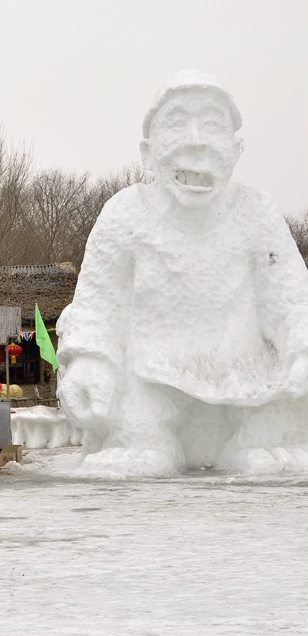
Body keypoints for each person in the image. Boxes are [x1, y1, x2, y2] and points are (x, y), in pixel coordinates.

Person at [56, 69, 308, 475]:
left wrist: (301, 346)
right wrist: (89, 360)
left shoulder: (255, 212)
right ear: (147, 151)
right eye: (176, 124)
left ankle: (253, 442)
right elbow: (98, 303)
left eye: (212, 125)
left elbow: (290, 298)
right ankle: (145, 443)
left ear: (236, 149)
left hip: (244, 369)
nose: (196, 139)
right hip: (151, 371)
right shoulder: (126, 213)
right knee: (135, 423)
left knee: (283, 408)